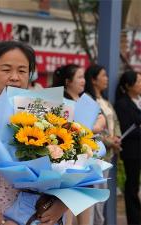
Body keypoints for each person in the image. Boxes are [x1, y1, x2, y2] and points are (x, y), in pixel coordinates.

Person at [0, 41, 68, 225]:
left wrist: (60, 207)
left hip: (42, 217)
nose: (14, 77)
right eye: (6, 70)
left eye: (22, 71)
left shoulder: (49, 115)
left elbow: (74, 168)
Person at [52, 64, 106, 225]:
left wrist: (94, 126)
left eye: (84, 77)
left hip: (86, 159)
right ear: (68, 81)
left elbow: (101, 118)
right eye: (80, 77)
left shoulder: (87, 100)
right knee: (67, 207)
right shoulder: (59, 102)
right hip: (67, 162)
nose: (84, 81)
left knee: (85, 210)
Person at [84, 64, 122, 225]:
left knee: (102, 196)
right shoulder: (88, 100)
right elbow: (91, 128)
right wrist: (109, 141)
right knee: (95, 198)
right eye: (103, 75)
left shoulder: (105, 101)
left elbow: (114, 121)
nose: (107, 79)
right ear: (93, 80)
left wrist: (117, 138)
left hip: (108, 154)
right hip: (95, 154)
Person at [114, 70, 141, 225]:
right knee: (132, 187)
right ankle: (134, 219)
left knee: (135, 186)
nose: (140, 84)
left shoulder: (138, 100)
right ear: (128, 85)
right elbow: (126, 129)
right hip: (132, 152)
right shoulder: (122, 104)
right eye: (138, 81)